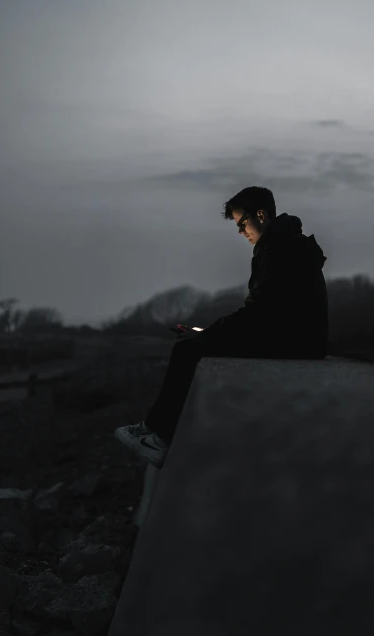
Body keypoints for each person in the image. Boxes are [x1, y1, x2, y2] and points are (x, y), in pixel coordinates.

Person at [114, 186, 328, 468]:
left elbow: (260, 312)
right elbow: (267, 309)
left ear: (260, 214)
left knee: (186, 351)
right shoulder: (286, 241)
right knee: (195, 345)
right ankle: (152, 429)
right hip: (300, 337)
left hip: (293, 340)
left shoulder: (278, 247)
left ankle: (157, 438)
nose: (241, 233)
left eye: (242, 224)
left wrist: (213, 332)